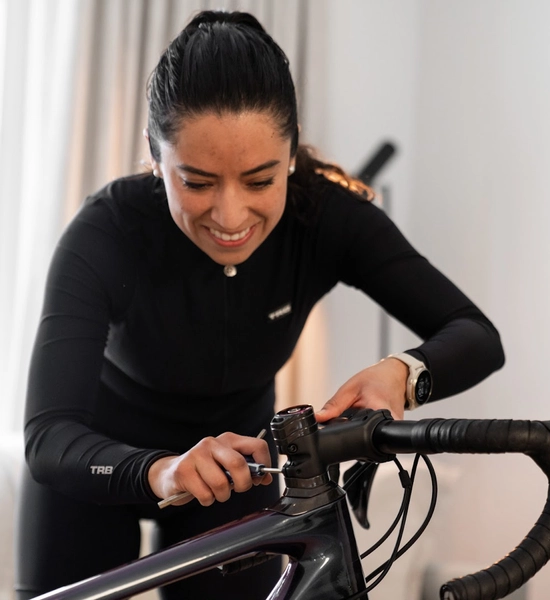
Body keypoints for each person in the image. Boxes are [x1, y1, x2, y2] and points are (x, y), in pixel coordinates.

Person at [15, 9, 504, 600]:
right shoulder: (108, 230)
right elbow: (49, 437)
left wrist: (403, 373)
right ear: (154, 153)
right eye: (196, 182)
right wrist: (161, 469)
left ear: (292, 152)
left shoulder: (323, 216)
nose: (230, 216)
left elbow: (476, 335)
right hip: (95, 461)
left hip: (237, 469)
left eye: (259, 180)